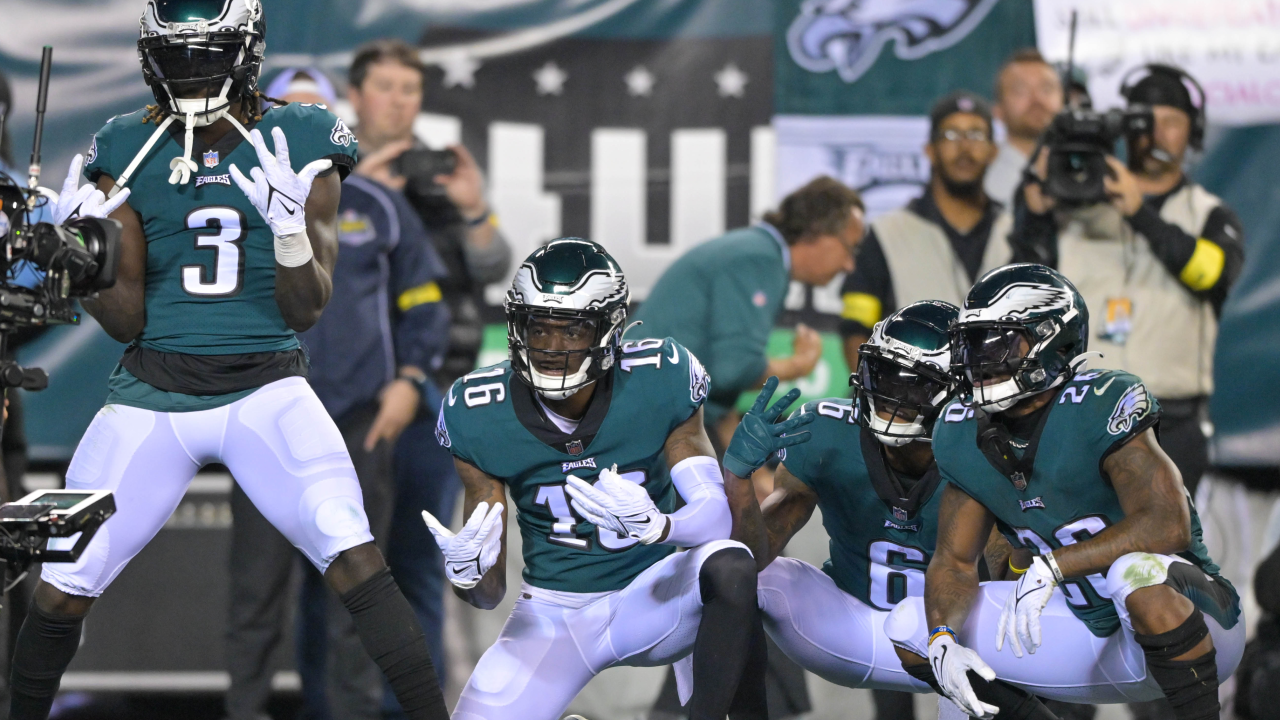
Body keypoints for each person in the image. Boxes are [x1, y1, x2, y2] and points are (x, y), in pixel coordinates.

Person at [9, 2, 448, 719]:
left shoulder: (300, 134)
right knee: (64, 581)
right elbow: (130, 321)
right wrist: (80, 266)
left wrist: (287, 234)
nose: (192, 71)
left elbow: (306, 307)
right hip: (153, 391)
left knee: (356, 556)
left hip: (265, 389)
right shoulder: (125, 144)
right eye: (178, 56)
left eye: (206, 54)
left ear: (245, 49)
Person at [430, 238, 793, 720]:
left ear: (608, 329)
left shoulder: (657, 377)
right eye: (539, 327)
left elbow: (714, 526)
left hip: (657, 593)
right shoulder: (477, 411)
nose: (551, 348)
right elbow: (488, 593)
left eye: (572, 330)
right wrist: (467, 574)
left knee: (729, 566)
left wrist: (661, 526)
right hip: (554, 612)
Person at [886, 264, 1245, 719]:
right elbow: (954, 562)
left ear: (1052, 337)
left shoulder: (1099, 401)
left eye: (998, 342)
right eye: (972, 345)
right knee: (913, 628)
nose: (977, 360)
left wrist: (1055, 565)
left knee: (1135, 573)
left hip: (1197, 622)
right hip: (1086, 626)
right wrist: (942, 640)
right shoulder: (960, 431)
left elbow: (1165, 523)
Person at [222, 68, 452, 720]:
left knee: (356, 595)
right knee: (254, 595)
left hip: (357, 425)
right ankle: (244, 712)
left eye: (312, 111)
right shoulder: (235, 197)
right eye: (285, 112)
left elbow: (425, 305)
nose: (299, 125)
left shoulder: (377, 203)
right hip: (264, 421)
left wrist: (410, 381)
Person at [733, 301, 1058, 720]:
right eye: (883, 374)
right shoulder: (826, 432)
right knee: (726, 571)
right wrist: (738, 478)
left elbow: (1004, 580)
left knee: (1018, 610)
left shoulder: (983, 447)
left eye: (914, 385)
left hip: (955, 640)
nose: (891, 396)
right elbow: (753, 551)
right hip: (846, 627)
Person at [344, 40, 514, 688]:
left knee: (420, 561)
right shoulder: (329, 169)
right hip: (347, 391)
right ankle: (338, 706)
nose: (399, 101)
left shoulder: (436, 173)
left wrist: (473, 207)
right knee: (344, 565)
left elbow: (493, 264)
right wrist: (357, 196)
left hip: (435, 387)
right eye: (385, 87)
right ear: (357, 95)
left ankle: (411, 707)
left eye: (410, 89)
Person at [1012, 63, 1245, 500]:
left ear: (1192, 132)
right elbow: (1026, 290)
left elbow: (1209, 275)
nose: (1156, 134)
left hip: (1168, 420)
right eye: (1144, 121)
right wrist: (1036, 215)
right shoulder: (1077, 206)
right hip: (1078, 413)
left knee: (1155, 561)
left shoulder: (1209, 213)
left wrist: (1139, 213)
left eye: (1171, 122)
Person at [633, 176, 863, 451]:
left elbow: (714, 391)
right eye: (850, 248)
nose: (850, 265)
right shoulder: (760, 260)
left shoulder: (757, 251)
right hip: (645, 420)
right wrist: (798, 365)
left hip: (649, 411)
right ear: (819, 231)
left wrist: (754, 475)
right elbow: (734, 371)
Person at [839, 91, 1012, 376]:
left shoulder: (1016, 232)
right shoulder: (887, 233)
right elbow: (855, 331)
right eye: (951, 135)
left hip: (1002, 407)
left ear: (994, 151)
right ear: (929, 150)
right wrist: (878, 403)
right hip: (913, 409)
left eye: (976, 135)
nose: (965, 147)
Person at [984, 49, 1064, 208]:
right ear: (998, 111)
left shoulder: (1087, 170)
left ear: (1063, 102)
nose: (1037, 99)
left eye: (1047, 89)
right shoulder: (980, 180)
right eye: (1021, 91)